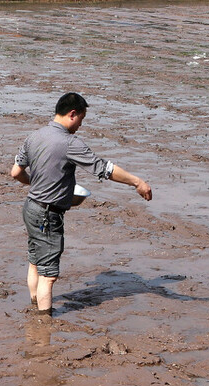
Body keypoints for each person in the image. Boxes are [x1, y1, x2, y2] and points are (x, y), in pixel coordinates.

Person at [9, 92, 152, 316]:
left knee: (35, 262)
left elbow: (16, 172)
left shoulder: (34, 136)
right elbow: (104, 169)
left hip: (30, 208)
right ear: (72, 114)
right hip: (48, 215)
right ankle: (43, 323)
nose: (80, 126)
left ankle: (34, 304)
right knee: (49, 275)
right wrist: (137, 182)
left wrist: (36, 184)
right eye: (82, 120)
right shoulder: (69, 143)